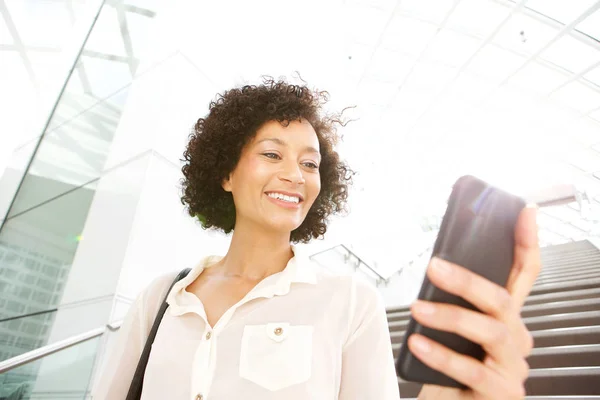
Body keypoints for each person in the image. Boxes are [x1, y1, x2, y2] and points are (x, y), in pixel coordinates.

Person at [91, 77, 540, 400]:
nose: (295, 174)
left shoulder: (350, 302)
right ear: (226, 173)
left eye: (310, 164)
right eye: (272, 154)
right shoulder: (162, 299)